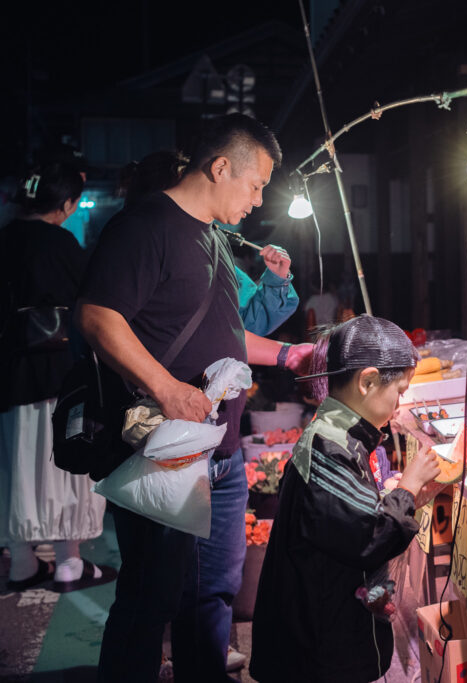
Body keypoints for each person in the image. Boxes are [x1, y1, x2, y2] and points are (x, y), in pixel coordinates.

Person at [76, 113, 312, 682]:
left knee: (213, 596)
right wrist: (166, 387)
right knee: (150, 597)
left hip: (224, 451)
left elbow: (228, 333)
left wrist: (289, 355)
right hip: (169, 447)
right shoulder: (146, 226)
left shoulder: (215, 239)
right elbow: (96, 317)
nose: (258, 200)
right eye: (255, 184)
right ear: (221, 166)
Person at [249, 315, 441, 683]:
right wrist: (408, 488)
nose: (401, 405)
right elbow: (369, 538)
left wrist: (400, 495)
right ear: (367, 381)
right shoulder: (328, 446)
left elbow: (341, 528)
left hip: (330, 625)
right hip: (316, 651)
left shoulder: (341, 436)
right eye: (399, 391)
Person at [0, 162, 116, 592]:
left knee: (13, 467)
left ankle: (21, 564)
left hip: (8, 379)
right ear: (66, 205)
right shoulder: (61, 244)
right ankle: (69, 562)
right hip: (58, 376)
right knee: (63, 464)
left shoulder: (4, 239)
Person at [119, 150, 300, 336]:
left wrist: (276, 281)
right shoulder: (134, 237)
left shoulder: (214, 247)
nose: (258, 201)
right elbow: (105, 322)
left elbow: (244, 325)